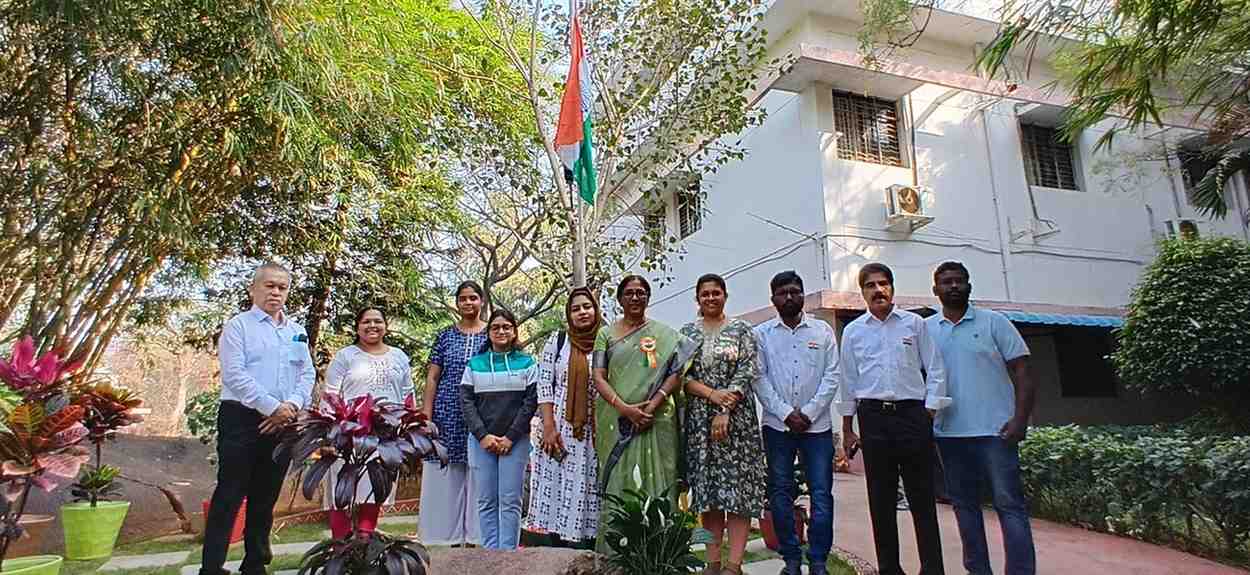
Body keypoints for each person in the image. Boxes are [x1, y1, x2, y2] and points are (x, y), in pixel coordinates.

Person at [201, 262, 313, 575]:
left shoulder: (296, 332)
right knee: (229, 494)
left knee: (266, 497)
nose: (276, 292)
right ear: (254, 288)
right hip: (242, 418)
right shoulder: (239, 327)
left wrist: (288, 406)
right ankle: (211, 568)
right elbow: (235, 374)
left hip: (284, 421)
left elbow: (307, 373)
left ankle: (255, 564)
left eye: (282, 287)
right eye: (269, 285)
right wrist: (270, 408)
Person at [926, 261, 1037, 575]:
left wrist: (1020, 419)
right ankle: (978, 570)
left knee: (1010, 506)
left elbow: (1024, 371)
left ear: (969, 285)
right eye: (946, 282)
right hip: (949, 435)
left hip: (996, 433)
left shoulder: (994, 323)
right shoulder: (928, 329)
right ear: (936, 290)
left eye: (959, 281)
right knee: (965, 508)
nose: (953, 287)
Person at [838, 262, 949, 575]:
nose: (878, 290)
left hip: (913, 416)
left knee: (922, 498)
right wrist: (848, 429)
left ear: (892, 288)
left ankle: (932, 569)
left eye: (883, 283)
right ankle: (889, 568)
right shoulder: (854, 331)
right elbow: (848, 380)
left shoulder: (915, 324)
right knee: (881, 500)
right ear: (862, 292)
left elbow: (936, 368)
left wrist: (929, 410)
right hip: (873, 419)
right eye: (871, 285)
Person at [592, 275, 697, 551]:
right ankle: (619, 555)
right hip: (618, 422)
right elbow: (599, 377)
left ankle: (663, 556)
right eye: (629, 293)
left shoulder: (665, 334)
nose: (635, 298)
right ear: (620, 299)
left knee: (662, 480)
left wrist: (651, 406)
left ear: (648, 298)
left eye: (641, 293)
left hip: (658, 418)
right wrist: (625, 409)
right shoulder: (605, 335)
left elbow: (677, 371)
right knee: (620, 480)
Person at [753, 270, 841, 575]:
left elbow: (832, 376)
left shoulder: (822, 332)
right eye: (782, 292)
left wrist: (810, 412)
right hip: (778, 428)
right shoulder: (761, 334)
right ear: (773, 298)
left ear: (802, 294)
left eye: (794, 291)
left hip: (817, 430)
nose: (789, 297)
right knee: (780, 491)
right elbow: (759, 379)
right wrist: (786, 413)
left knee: (821, 493)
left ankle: (818, 559)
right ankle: (791, 558)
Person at [680, 274, 767, 575]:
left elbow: (747, 369)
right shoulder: (687, 333)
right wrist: (713, 395)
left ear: (725, 296)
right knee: (709, 496)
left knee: (739, 496)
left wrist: (725, 407)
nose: (711, 298)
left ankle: (734, 565)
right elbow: (682, 376)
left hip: (737, 424)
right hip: (701, 424)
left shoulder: (742, 329)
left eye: (716, 293)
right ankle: (712, 563)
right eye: (705, 294)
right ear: (697, 299)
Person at [321, 307, 413, 539]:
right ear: (357, 326)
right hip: (348, 433)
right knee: (341, 489)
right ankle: (340, 547)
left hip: (386, 437)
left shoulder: (399, 357)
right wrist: (328, 436)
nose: (372, 326)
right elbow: (330, 394)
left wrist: (408, 430)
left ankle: (365, 541)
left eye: (378, 321)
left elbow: (408, 396)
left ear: (386, 325)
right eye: (366, 322)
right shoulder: (346, 356)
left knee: (375, 487)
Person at [525, 287, 603, 547]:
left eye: (586, 306)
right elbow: (545, 385)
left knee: (589, 489)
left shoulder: (607, 341)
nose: (582, 312)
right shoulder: (558, 341)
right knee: (559, 492)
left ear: (595, 309)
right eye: (575, 308)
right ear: (569, 314)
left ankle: (585, 552)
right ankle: (556, 554)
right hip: (560, 431)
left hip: (596, 431)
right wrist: (548, 426)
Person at [460, 308, 539, 550]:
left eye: (506, 327)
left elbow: (530, 402)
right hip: (482, 442)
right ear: (489, 332)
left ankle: (508, 555)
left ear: (514, 331)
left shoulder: (527, 363)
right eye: (496, 327)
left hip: (515, 442)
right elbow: (466, 402)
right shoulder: (475, 364)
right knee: (486, 500)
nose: (501, 331)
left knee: (510, 500)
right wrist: (483, 436)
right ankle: (490, 555)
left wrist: (510, 437)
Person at [419, 281, 487, 546]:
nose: (468, 303)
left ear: (481, 301)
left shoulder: (491, 334)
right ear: (457, 303)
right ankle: (442, 537)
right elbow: (433, 376)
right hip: (446, 410)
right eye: (463, 299)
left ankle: (476, 537)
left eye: (473, 298)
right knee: (445, 470)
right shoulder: (445, 335)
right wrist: (427, 414)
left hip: (482, 413)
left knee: (478, 470)